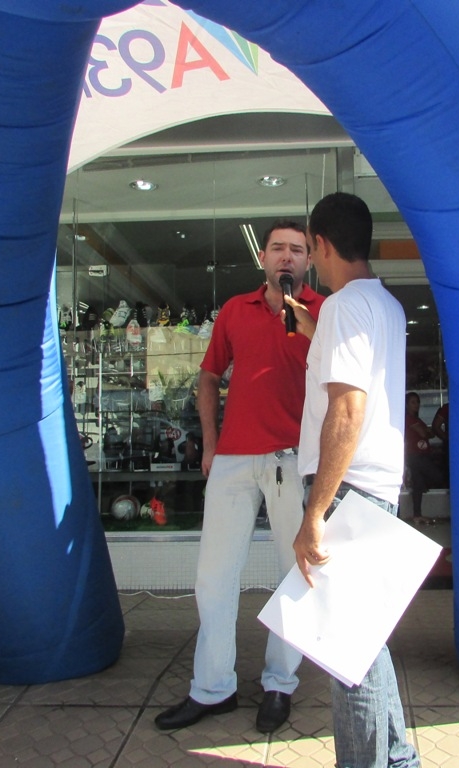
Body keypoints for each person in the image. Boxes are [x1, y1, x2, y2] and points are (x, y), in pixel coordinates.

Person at [154, 220, 325, 734]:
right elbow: (209, 376)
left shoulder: (323, 312)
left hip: (292, 461)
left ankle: (279, 684)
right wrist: (210, 443)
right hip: (232, 459)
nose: (287, 257)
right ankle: (212, 688)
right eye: (278, 248)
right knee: (214, 577)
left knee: (296, 575)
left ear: (310, 260)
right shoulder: (234, 310)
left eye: (297, 250)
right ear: (263, 257)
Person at [285, 192, 420, 768]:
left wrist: (315, 512)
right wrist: (316, 331)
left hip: (347, 491)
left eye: (309, 247)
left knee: (348, 654)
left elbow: (347, 409)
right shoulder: (382, 304)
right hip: (376, 487)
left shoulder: (345, 306)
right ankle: (398, 757)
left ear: (321, 244)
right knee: (366, 641)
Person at [404, 391, 444, 525]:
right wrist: (426, 432)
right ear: (407, 405)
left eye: (418, 402)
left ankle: (417, 515)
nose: (416, 405)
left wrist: (427, 432)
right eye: (413, 402)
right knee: (438, 476)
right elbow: (424, 433)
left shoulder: (417, 419)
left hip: (420, 454)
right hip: (415, 455)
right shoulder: (409, 419)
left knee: (418, 486)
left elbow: (430, 433)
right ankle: (422, 485)